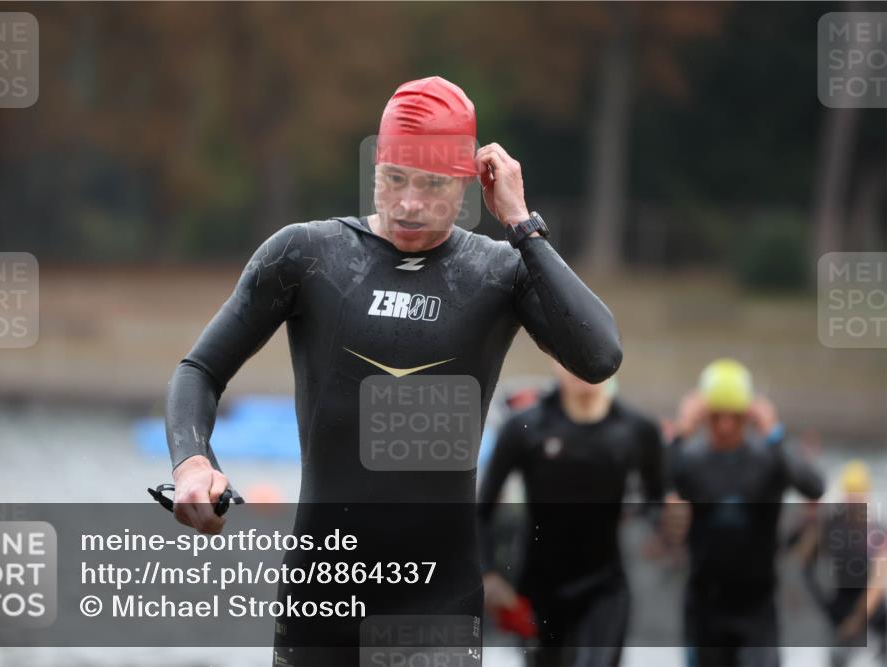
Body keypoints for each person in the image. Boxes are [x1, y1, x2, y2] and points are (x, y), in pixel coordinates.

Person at [163, 76, 623, 666]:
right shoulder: (306, 256)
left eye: (432, 184)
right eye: (394, 179)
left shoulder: (498, 272)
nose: (408, 203)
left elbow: (598, 357)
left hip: (437, 610)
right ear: (375, 168)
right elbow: (199, 370)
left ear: (468, 181)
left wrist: (521, 224)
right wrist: (193, 462)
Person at [477, 361, 664, 667]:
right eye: (573, 353)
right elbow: (480, 511)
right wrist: (488, 573)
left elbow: (657, 498)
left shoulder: (637, 429)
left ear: (613, 360)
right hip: (539, 586)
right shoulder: (525, 426)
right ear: (555, 359)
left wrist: (663, 524)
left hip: (604, 586)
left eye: (594, 352)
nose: (583, 364)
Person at [666, 358, 826, 667]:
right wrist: (681, 433)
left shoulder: (768, 458)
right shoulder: (690, 460)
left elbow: (814, 486)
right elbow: (652, 487)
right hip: (704, 606)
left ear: (749, 416)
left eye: (735, 417)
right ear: (704, 415)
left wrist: (775, 433)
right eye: (717, 417)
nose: (726, 426)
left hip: (757, 609)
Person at [794, 460, 887, 667]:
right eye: (850, 494)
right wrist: (813, 519)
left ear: (867, 495)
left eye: (858, 494)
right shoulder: (832, 524)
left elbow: (878, 584)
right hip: (840, 604)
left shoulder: (876, 531)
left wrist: (857, 619)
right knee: (837, 657)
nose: (854, 500)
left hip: (871, 610)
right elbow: (803, 559)